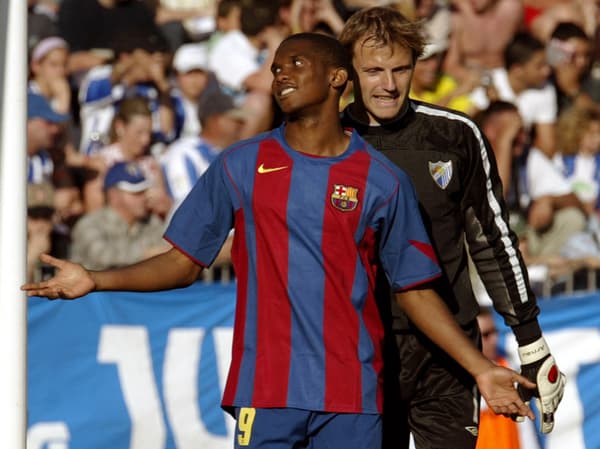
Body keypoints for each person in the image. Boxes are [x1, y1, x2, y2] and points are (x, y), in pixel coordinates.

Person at [22, 32, 536, 449]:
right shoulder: (240, 164)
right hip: (265, 391)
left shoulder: (381, 180)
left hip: (351, 397)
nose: (280, 75)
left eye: (294, 63)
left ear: (337, 77)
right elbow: (181, 264)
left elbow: (415, 290)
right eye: (274, 68)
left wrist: (482, 369)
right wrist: (95, 280)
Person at [338, 7, 565, 449]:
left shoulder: (455, 134)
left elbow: (493, 240)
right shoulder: (328, 141)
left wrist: (530, 339)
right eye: (374, 70)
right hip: (360, 348)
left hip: (447, 349)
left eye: (400, 69)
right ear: (349, 71)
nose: (388, 84)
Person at [70, 161, 169, 270]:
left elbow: (167, 250)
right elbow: (102, 257)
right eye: (136, 193)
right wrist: (147, 254)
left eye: (144, 191)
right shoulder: (89, 224)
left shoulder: (151, 221)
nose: (145, 197)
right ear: (114, 195)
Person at [475, 307, 522, 449]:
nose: (494, 339)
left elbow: (524, 430)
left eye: (494, 332)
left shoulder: (508, 367)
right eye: (486, 334)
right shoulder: (453, 381)